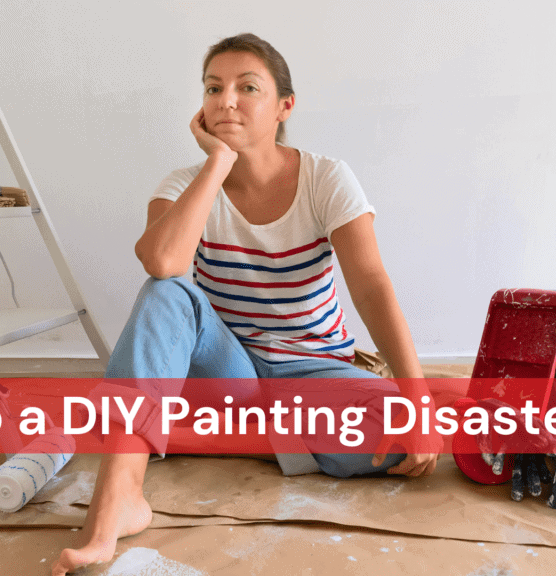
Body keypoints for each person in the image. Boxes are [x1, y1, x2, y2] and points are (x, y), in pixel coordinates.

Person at [52, 33, 440, 575]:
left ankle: (204, 433)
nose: (226, 100)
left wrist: (417, 405)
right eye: (213, 88)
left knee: (398, 434)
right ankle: (117, 501)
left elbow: (372, 286)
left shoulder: (326, 178)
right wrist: (218, 163)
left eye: (247, 87)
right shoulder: (184, 185)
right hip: (227, 368)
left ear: (285, 106)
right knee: (167, 293)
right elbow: (162, 263)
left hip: (313, 367)